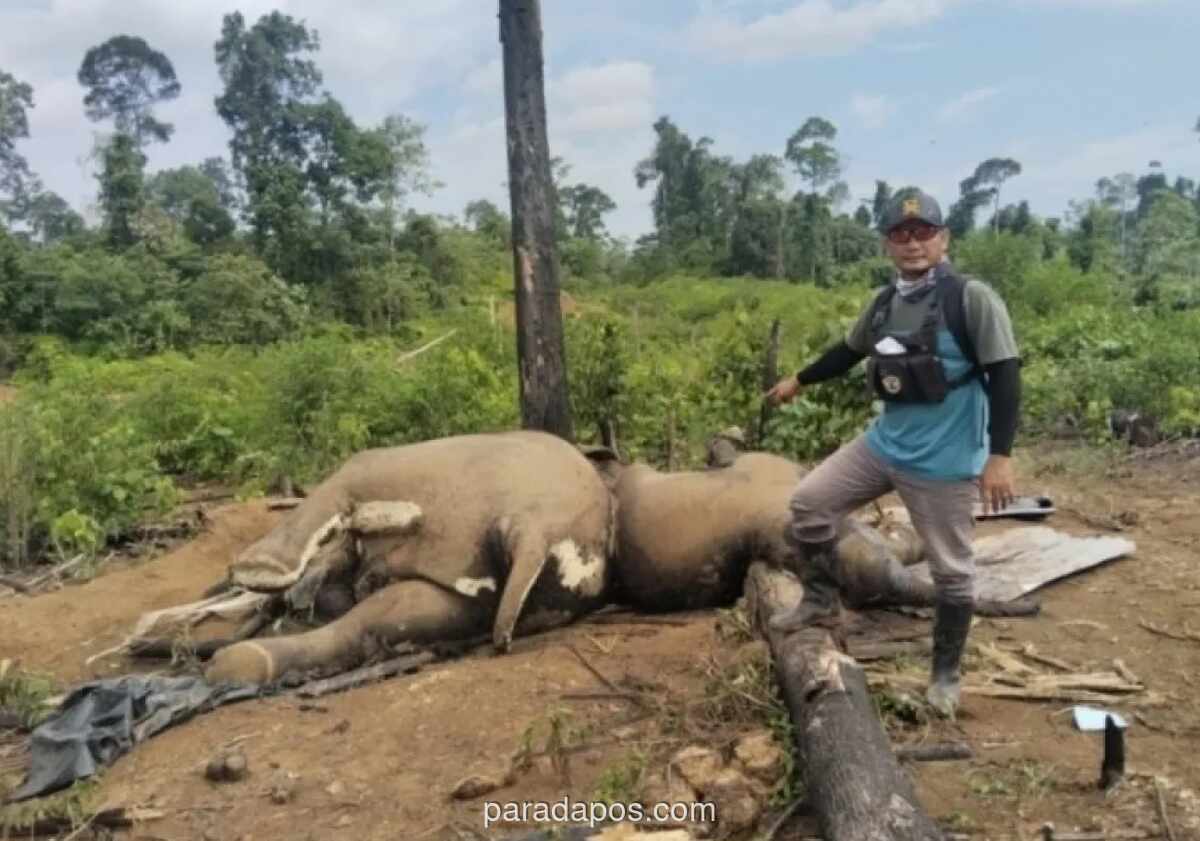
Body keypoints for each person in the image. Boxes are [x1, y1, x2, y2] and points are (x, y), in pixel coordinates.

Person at [764, 187, 1021, 719]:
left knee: (952, 571)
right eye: (901, 235)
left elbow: (1006, 373)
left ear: (943, 238)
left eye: (923, 232)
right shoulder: (884, 303)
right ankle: (818, 603)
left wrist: (1000, 455)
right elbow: (850, 350)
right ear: (887, 245)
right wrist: (800, 379)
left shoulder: (971, 298)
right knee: (810, 504)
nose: (913, 244)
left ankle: (945, 675)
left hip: (944, 461)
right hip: (884, 444)